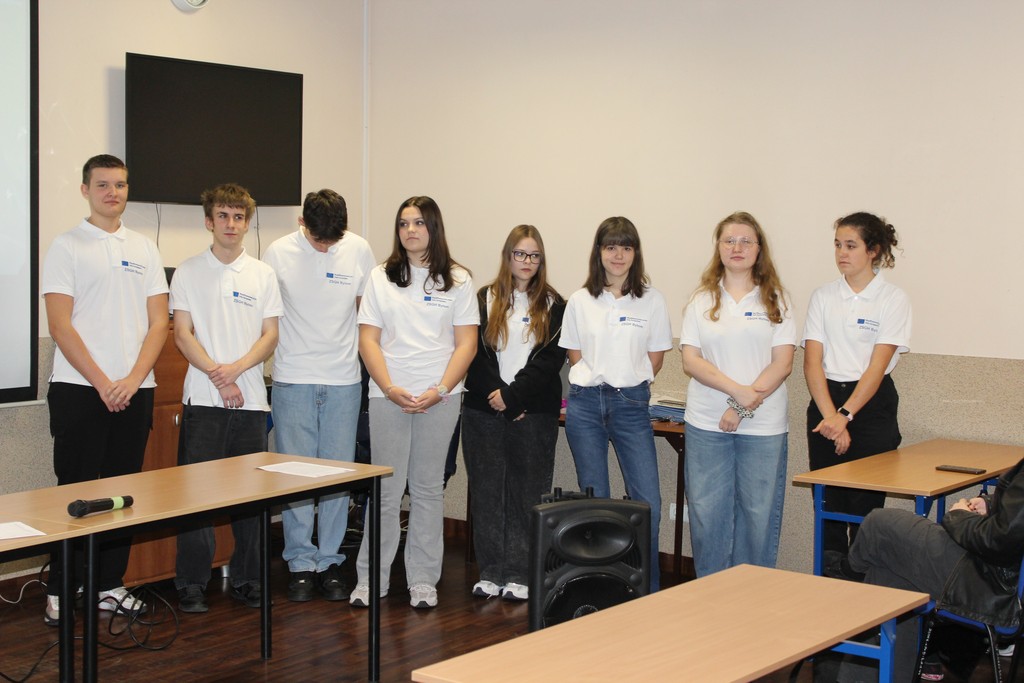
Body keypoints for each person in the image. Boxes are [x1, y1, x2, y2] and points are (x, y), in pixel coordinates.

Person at [40, 154, 166, 625]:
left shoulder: (144, 248)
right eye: (103, 185)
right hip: (79, 389)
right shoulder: (67, 246)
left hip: (135, 390)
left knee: (122, 492)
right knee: (73, 490)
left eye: (120, 185)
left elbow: (159, 323)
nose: (113, 192)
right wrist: (102, 382)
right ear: (85, 190)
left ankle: (108, 586)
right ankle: (60, 588)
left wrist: (130, 381)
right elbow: (60, 325)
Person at [349, 196, 478, 610]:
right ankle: (371, 578)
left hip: (441, 398)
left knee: (426, 489)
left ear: (433, 227)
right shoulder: (380, 277)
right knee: (386, 490)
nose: (410, 230)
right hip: (388, 395)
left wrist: (440, 389)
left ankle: (423, 579)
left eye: (418, 223)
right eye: (403, 223)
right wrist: (389, 388)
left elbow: (467, 344)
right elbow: (368, 339)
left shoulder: (458, 279)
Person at [171, 183, 282, 613]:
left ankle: (248, 579)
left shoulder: (262, 274)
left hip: (250, 402)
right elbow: (183, 334)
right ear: (209, 221)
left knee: (251, 499)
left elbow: (270, 335)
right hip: (203, 401)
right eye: (222, 216)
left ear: (247, 223)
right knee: (196, 497)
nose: (230, 224)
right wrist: (219, 376)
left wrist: (235, 370)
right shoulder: (188, 271)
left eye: (238, 217)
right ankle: (191, 583)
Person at [263, 189, 375, 602]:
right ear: (301, 224)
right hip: (293, 378)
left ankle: (329, 560)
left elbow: (368, 316)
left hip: (343, 380)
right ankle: (299, 560)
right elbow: (267, 319)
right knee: (294, 475)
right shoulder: (277, 253)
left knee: (336, 476)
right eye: (318, 240)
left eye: (333, 240)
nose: (326, 247)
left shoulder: (359, 250)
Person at [827, 460, 1024, 682]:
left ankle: (848, 573)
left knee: (878, 524)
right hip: (998, 579)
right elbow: (1016, 517)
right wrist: (991, 503)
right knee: (889, 575)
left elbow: (998, 541)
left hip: (991, 585)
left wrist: (960, 516)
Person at [560, 216, 673, 591]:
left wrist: (628, 383)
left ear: (636, 253)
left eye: (626, 247)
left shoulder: (652, 300)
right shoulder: (580, 300)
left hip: (631, 404)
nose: (618, 255)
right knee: (595, 501)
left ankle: (646, 589)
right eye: (611, 247)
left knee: (647, 501)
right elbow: (574, 355)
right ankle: (603, 588)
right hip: (585, 405)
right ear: (599, 252)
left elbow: (656, 357)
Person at [680, 211, 795, 577]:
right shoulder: (701, 300)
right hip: (706, 424)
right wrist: (736, 395)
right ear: (719, 247)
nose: (737, 247)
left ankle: (752, 597)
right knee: (706, 513)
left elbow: (782, 364)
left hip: (763, 427)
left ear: (759, 249)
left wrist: (740, 408)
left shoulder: (777, 299)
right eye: (729, 240)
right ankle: (711, 594)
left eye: (746, 241)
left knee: (757, 515)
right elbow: (691, 361)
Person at [462, 225, 566, 601]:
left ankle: (521, 573)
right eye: (520, 254)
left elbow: (550, 360)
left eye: (534, 255)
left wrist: (514, 398)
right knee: (487, 493)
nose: (527, 261)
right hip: (483, 411)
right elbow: (472, 352)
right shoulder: (482, 298)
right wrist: (499, 396)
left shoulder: (555, 304)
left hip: (532, 414)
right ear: (508, 256)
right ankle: (491, 571)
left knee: (527, 494)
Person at [803, 212, 911, 572]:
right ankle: (828, 586)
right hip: (826, 402)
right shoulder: (823, 296)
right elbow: (812, 363)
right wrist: (831, 417)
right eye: (837, 245)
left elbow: (876, 368)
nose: (842, 253)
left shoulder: (892, 299)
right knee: (829, 507)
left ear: (873, 250)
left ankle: (862, 591)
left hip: (870, 406)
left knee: (865, 510)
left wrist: (846, 416)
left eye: (851, 245)